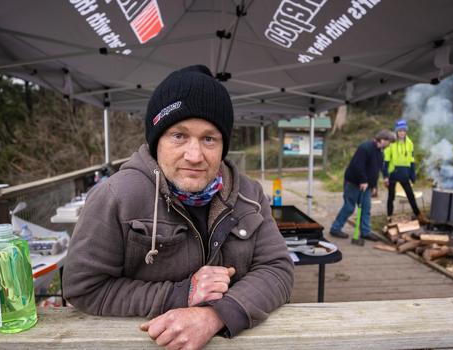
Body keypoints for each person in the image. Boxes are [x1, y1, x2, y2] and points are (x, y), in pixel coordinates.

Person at [62, 65, 294, 349]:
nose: (194, 155)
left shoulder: (248, 194)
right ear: (156, 139)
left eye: (209, 138)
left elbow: (277, 269)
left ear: (224, 145)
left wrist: (214, 316)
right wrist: (182, 294)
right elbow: (83, 289)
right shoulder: (116, 196)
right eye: (179, 135)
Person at [329, 130, 395, 241]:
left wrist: (384, 178)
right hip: (353, 183)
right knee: (349, 207)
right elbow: (357, 166)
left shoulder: (380, 152)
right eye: (389, 142)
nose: (390, 145)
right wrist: (363, 181)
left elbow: (379, 167)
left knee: (366, 208)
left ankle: (365, 232)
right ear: (383, 140)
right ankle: (335, 228)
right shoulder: (365, 148)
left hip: (367, 186)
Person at [382, 119, 428, 224]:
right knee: (391, 196)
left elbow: (411, 160)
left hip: (404, 174)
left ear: (406, 131)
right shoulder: (391, 143)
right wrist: (385, 176)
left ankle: (419, 216)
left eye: (404, 130)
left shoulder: (409, 143)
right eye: (400, 131)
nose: (402, 133)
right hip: (393, 173)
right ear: (396, 131)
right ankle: (389, 217)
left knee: (410, 195)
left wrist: (412, 174)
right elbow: (386, 161)